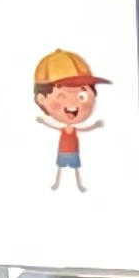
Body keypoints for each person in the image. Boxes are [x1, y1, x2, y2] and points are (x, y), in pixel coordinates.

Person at [33, 48, 106, 191]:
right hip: (64, 151)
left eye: (82, 96)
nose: (73, 103)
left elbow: (85, 129)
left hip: (72, 151)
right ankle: (58, 182)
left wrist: (96, 125)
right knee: (60, 166)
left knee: (75, 167)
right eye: (62, 96)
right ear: (42, 99)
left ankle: (79, 184)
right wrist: (42, 122)